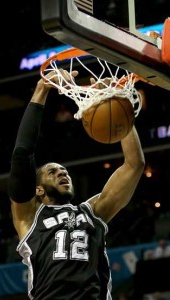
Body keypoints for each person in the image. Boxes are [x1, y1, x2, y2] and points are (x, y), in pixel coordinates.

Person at [8, 69, 145, 300]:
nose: (62, 173)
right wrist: (41, 90)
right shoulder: (30, 218)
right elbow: (22, 154)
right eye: (52, 172)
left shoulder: (92, 212)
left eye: (64, 171)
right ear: (38, 189)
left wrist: (117, 101)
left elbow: (134, 165)